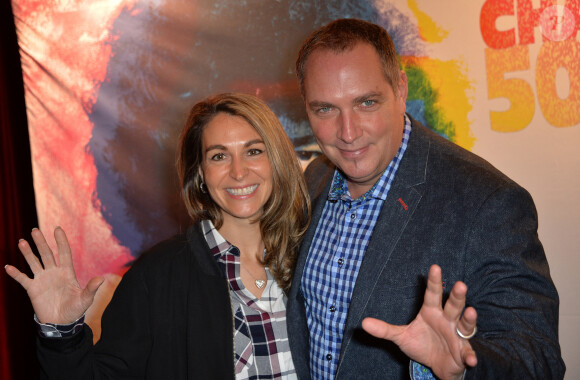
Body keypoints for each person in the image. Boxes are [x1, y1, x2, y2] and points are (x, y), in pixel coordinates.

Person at [286, 18, 565, 379]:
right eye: (325, 109)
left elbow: (537, 359)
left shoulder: (488, 202)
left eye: (366, 103)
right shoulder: (316, 178)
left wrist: (462, 367)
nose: (348, 133)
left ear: (400, 90)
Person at [5, 92, 311, 379]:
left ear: (276, 161)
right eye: (219, 156)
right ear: (201, 173)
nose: (239, 172)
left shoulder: (314, 256)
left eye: (253, 151)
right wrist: (62, 333)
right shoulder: (157, 275)